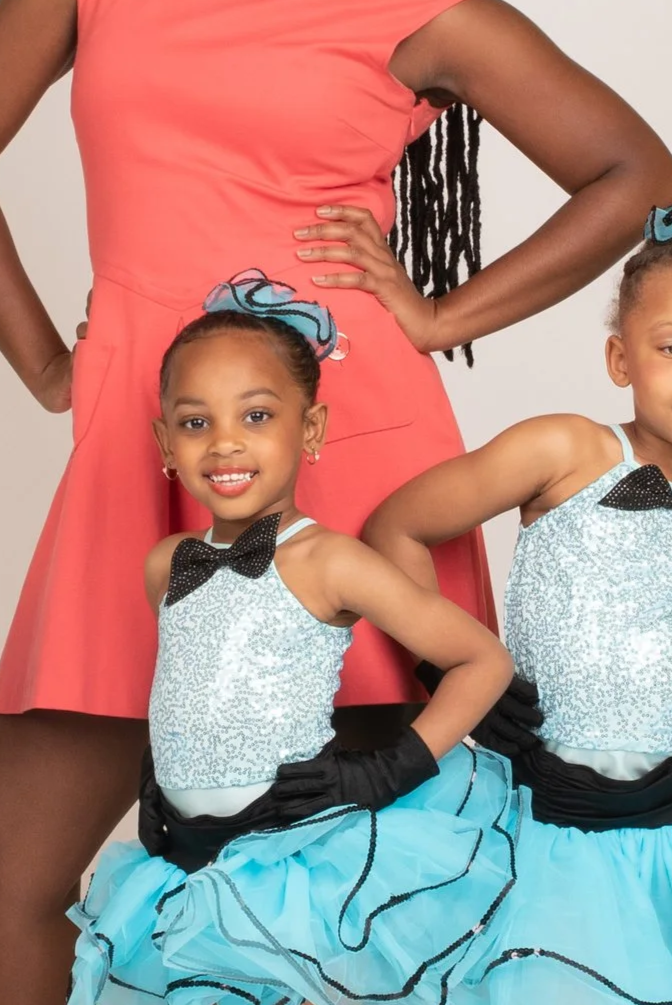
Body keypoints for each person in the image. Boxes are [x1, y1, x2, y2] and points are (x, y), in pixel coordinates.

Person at [0, 0, 672, 1000]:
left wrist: (443, 316)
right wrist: (49, 359)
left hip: (353, 445)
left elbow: (636, 175)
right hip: (148, 449)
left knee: (357, 874)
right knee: (3, 851)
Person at [367, 194, 672, 1004]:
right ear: (619, 359)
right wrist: (448, 670)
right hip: (536, 822)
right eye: (671, 347)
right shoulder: (562, 450)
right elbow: (395, 529)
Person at [68, 273, 516, 1003]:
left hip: (295, 862)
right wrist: (160, 778)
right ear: (164, 442)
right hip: (184, 864)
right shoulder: (167, 565)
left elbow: (481, 659)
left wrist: (393, 768)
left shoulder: (327, 559)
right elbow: (195, 685)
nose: (223, 445)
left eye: (255, 416)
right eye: (194, 423)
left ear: (310, 430)